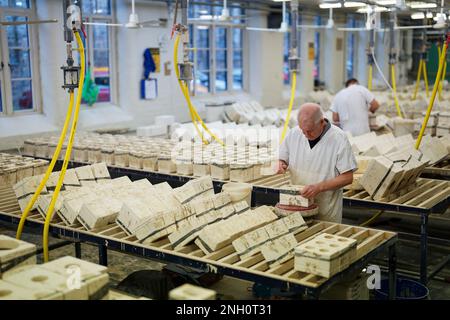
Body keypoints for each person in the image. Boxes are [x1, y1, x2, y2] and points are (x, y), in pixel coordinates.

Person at [278, 103, 357, 223]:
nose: (305, 134)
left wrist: (318, 187)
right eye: (302, 130)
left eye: (309, 131)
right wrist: (281, 164)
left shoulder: (338, 138)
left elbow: (347, 177)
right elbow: (283, 159)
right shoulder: (294, 133)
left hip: (326, 210)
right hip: (296, 207)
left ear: (321, 122)